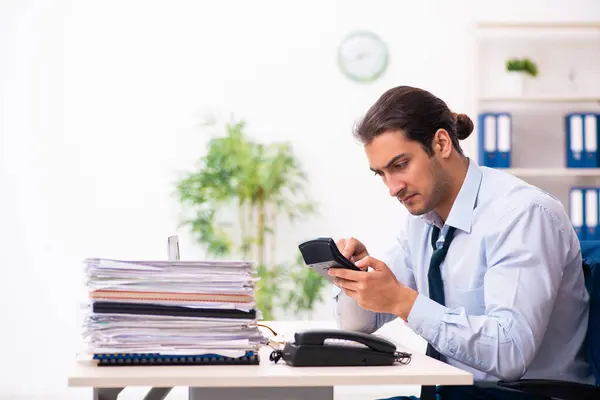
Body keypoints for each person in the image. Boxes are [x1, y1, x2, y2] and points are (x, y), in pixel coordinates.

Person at [329, 86, 595, 400]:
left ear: (441, 143)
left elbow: (510, 353)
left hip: (528, 395)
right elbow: (360, 323)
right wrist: (356, 278)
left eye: (400, 166)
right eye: (382, 174)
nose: (393, 188)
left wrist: (403, 301)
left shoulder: (521, 214)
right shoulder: (422, 221)